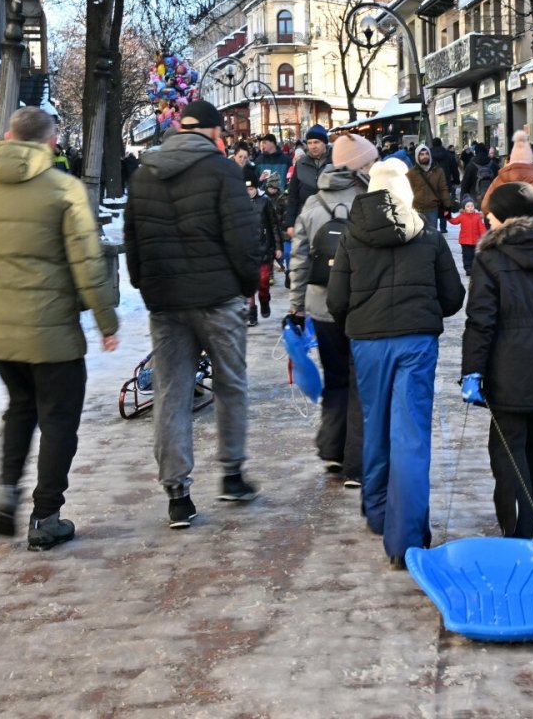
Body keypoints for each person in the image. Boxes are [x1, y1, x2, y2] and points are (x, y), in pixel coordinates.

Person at [0, 107, 120, 551]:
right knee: (58, 420)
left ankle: (6, 492)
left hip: (0, 326)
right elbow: (88, 263)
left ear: (9, 135)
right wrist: (105, 320)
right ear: (51, 142)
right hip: (51, 329)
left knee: (20, 408)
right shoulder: (64, 189)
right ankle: (46, 516)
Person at [124, 100, 262, 527]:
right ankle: (232, 473)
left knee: (170, 393)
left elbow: (133, 239)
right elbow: (243, 239)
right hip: (217, 298)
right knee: (231, 383)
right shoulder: (223, 171)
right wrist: (245, 287)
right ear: (211, 132)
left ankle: (178, 493)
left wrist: (148, 288)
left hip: (166, 301)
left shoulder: (146, 172)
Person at [326, 159, 465, 568]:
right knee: (411, 435)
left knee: (376, 424)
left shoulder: (351, 235)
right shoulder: (428, 234)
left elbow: (336, 301)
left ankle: (378, 511)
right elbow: (454, 297)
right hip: (416, 342)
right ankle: (404, 538)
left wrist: (361, 318)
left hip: (368, 343)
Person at [461, 182, 533, 538]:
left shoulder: (490, 258)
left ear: (503, 217)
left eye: (490, 215)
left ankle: (517, 530)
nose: (487, 220)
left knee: (509, 449)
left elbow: (481, 320)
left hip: (506, 371)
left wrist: (473, 371)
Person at [287, 132, 378, 488]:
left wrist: (296, 308)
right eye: (368, 161)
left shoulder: (312, 204)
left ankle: (332, 451)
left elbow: (298, 260)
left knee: (336, 380)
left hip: (321, 306)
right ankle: (357, 463)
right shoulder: (369, 199)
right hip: (360, 305)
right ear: (357, 165)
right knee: (360, 383)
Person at [481, 132, 533, 219]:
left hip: (507, 229)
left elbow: (485, 206)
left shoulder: (500, 179)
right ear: (530, 157)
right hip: (532, 229)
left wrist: (500, 220)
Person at [243, 177, 278, 327]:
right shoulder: (239, 202)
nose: (249, 192)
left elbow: (274, 225)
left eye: (251, 189)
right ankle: (252, 313)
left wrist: (278, 247)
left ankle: (264, 300)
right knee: (249, 283)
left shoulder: (265, 201)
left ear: (256, 188)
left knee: (263, 281)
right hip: (246, 249)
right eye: (246, 189)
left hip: (264, 247)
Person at [285, 124, 332, 234]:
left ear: (324, 142)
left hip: (330, 219)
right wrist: (290, 223)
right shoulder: (301, 164)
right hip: (305, 219)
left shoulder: (336, 161)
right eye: (309, 143)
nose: (313, 146)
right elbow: (293, 195)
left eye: (316, 142)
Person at [409, 143, 455, 232]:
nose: (425, 156)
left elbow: (443, 189)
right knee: (419, 237)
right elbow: (408, 191)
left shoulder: (438, 171)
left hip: (432, 209)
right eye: (422, 154)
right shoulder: (411, 173)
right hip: (416, 209)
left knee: (432, 235)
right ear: (417, 156)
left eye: (427, 154)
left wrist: (447, 206)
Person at [429, 138, 461, 230]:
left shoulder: (428, 154)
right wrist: (456, 181)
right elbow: (454, 169)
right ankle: (443, 227)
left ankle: (433, 227)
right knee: (444, 204)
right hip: (445, 183)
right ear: (441, 143)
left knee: (433, 205)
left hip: (431, 184)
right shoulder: (448, 154)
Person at [450, 197, 487, 275]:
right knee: (466, 255)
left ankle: (474, 268)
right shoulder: (462, 216)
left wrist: (485, 236)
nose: (470, 208)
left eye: (472, 206)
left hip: (475, 241)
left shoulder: (477, 216)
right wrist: (448, 217)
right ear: (464, 208)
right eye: (468, 206)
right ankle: (468, 268)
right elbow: (454, 221)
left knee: (474, 255)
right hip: (465, 241)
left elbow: (482, 228)